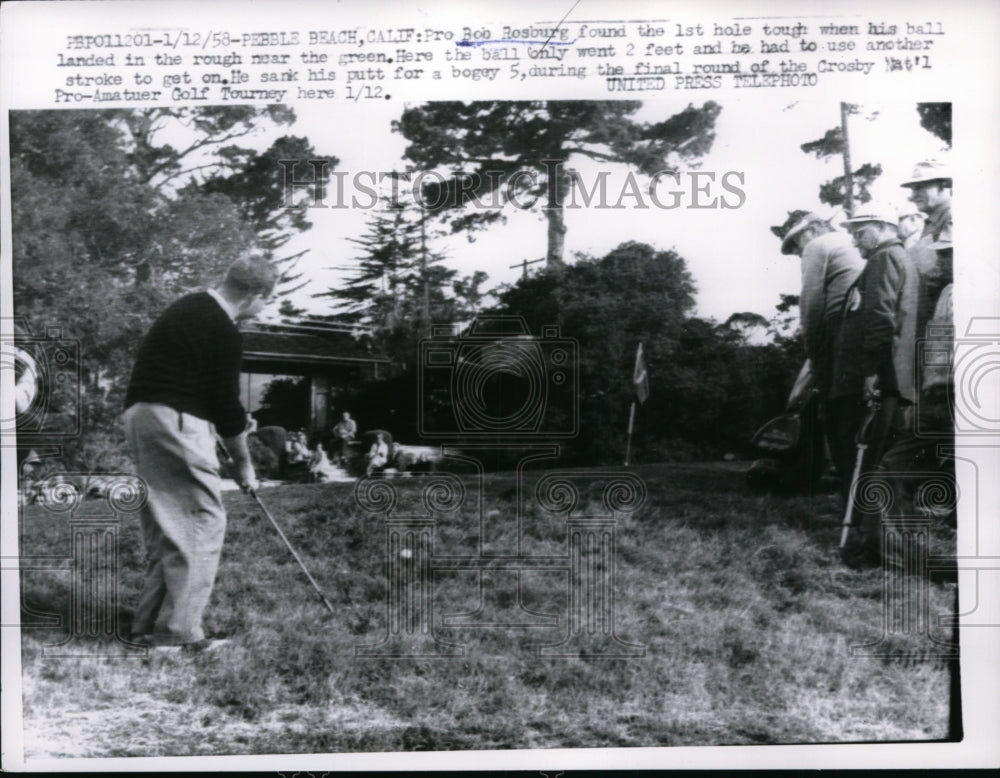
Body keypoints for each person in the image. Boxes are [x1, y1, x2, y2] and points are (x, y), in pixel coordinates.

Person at [122, 254, 278, 651]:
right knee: (201, 521)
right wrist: (244, 464)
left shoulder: (188, 306)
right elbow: (227, 406)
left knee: (170, 523)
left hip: (143, 416)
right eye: (265, 303)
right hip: (174, 419)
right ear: (255, 296)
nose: (262, 312)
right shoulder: (222, 328)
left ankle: (147, 627)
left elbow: (205, 395)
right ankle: (176, 636)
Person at [828, 203, 919, 566]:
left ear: (882, 227)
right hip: (894, 377)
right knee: (882, 465)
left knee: (872, 463)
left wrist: (871, 371)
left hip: (883, 378)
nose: (854, 239)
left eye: (859, 231)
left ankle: (871, 548)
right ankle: (883, 545)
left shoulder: (885, 260)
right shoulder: (900, 259)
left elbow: (882, 320)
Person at [771, 210, 865, 490]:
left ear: (809, 231)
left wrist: (814, 356)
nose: (798, 253)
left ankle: (841, 488)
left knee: (829, 413)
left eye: (796, 244)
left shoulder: (817, 246)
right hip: (861, 338)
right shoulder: (848, 243)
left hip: (836, 340)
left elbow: (811, 306)